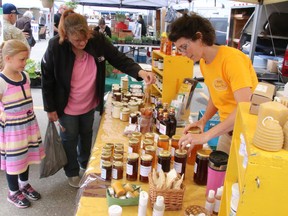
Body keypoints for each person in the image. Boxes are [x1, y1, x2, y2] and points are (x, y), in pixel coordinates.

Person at [41, 10, 155, 188]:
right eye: (77, 40)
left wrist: (140, 72)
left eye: (85, 38)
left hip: (89, 101)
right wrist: (50, 108)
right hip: (66, 104)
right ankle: (71, 171)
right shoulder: (56, 46)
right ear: (66, 35)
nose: (83, 43)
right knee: (69, 138)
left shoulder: (97, 40)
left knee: (86, 134)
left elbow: (118, 58)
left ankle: (85, 163)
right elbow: (47, 78)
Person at [168, 13, 258, 155]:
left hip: (246, 136)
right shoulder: (204, 63)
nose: (183, 53)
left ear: (199, 37)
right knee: (217, 173)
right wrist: (203, 121)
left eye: (184, 47)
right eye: (179, 49)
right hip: (227, 131)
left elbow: (245, 106)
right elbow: (216, 96)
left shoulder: (232, 60)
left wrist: (206, 136)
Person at [0, 40, 45, 208]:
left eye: (26, 59)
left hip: (28, 125)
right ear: (8, 58)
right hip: (12, 130)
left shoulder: (25, 76)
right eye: (22, 59)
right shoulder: (1, 81)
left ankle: (24, 184)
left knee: (25, 156)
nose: (25, 63)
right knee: (14, 160)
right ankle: (13, 192)